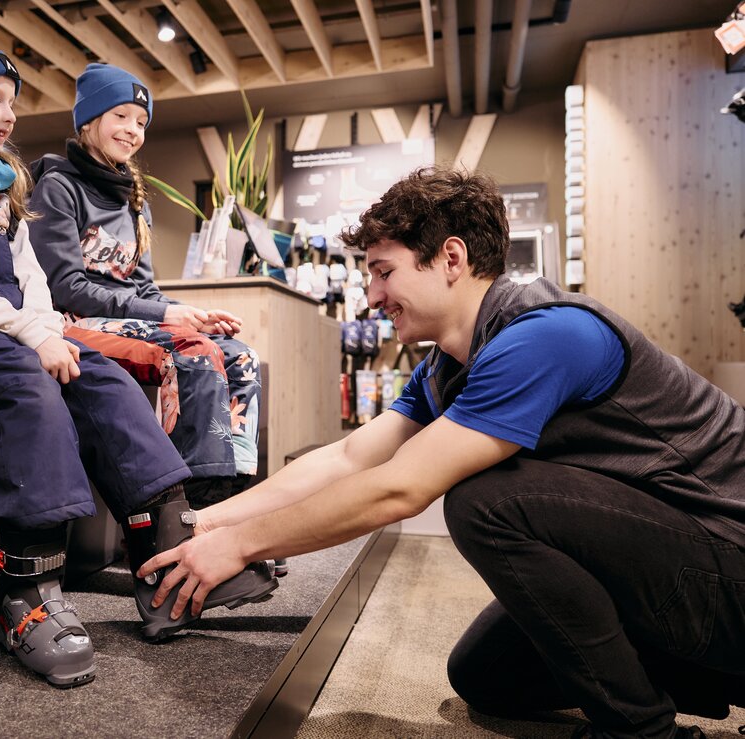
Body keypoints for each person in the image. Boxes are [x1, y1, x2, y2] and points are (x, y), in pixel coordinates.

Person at [137, 166, 745, 737]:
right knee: (484, 677)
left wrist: (241, 546)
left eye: (384, 271)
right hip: (671, 558)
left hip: (730, 563)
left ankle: (640, 730)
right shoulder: (448, 364)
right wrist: (206, 523)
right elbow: (350, 458)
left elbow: (400, 488)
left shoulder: (546, 336)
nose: (372, 295)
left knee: (488, 502)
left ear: (451, 258)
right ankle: (700, 672)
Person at [0, 35, 276, 687]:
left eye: (12, 101)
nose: (9, 114)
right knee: (34, 391)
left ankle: (164, 552)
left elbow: (31, 274)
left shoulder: (5, 186)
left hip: (13, 324)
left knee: (106, 380)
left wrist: (44, 328)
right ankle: (24, 593)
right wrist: (32, 337)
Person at [28, 63, 262, 507]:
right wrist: (167, 317)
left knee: (241, 355)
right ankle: (191, 504)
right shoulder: (57, 187)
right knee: (191, 352)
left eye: (141, 122)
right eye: (121, 116)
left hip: (121, 324)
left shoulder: (134, 203)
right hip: (70, 324)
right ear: (88, 121)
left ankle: (234, 497)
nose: (133, 130)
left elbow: (145, 292)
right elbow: (64, 287)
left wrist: (193, 315)